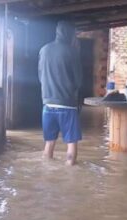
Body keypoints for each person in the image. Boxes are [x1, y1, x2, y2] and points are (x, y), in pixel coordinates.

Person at [38, 21, 82, 166]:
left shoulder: (44, 50)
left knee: (49, 144)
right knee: (71, 143)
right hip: (67, 104)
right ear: (70, 34)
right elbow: (78, 81)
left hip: (47, 104)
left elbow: (40, 76)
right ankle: (70, 178)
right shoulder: (72, 52)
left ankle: (47, 172)